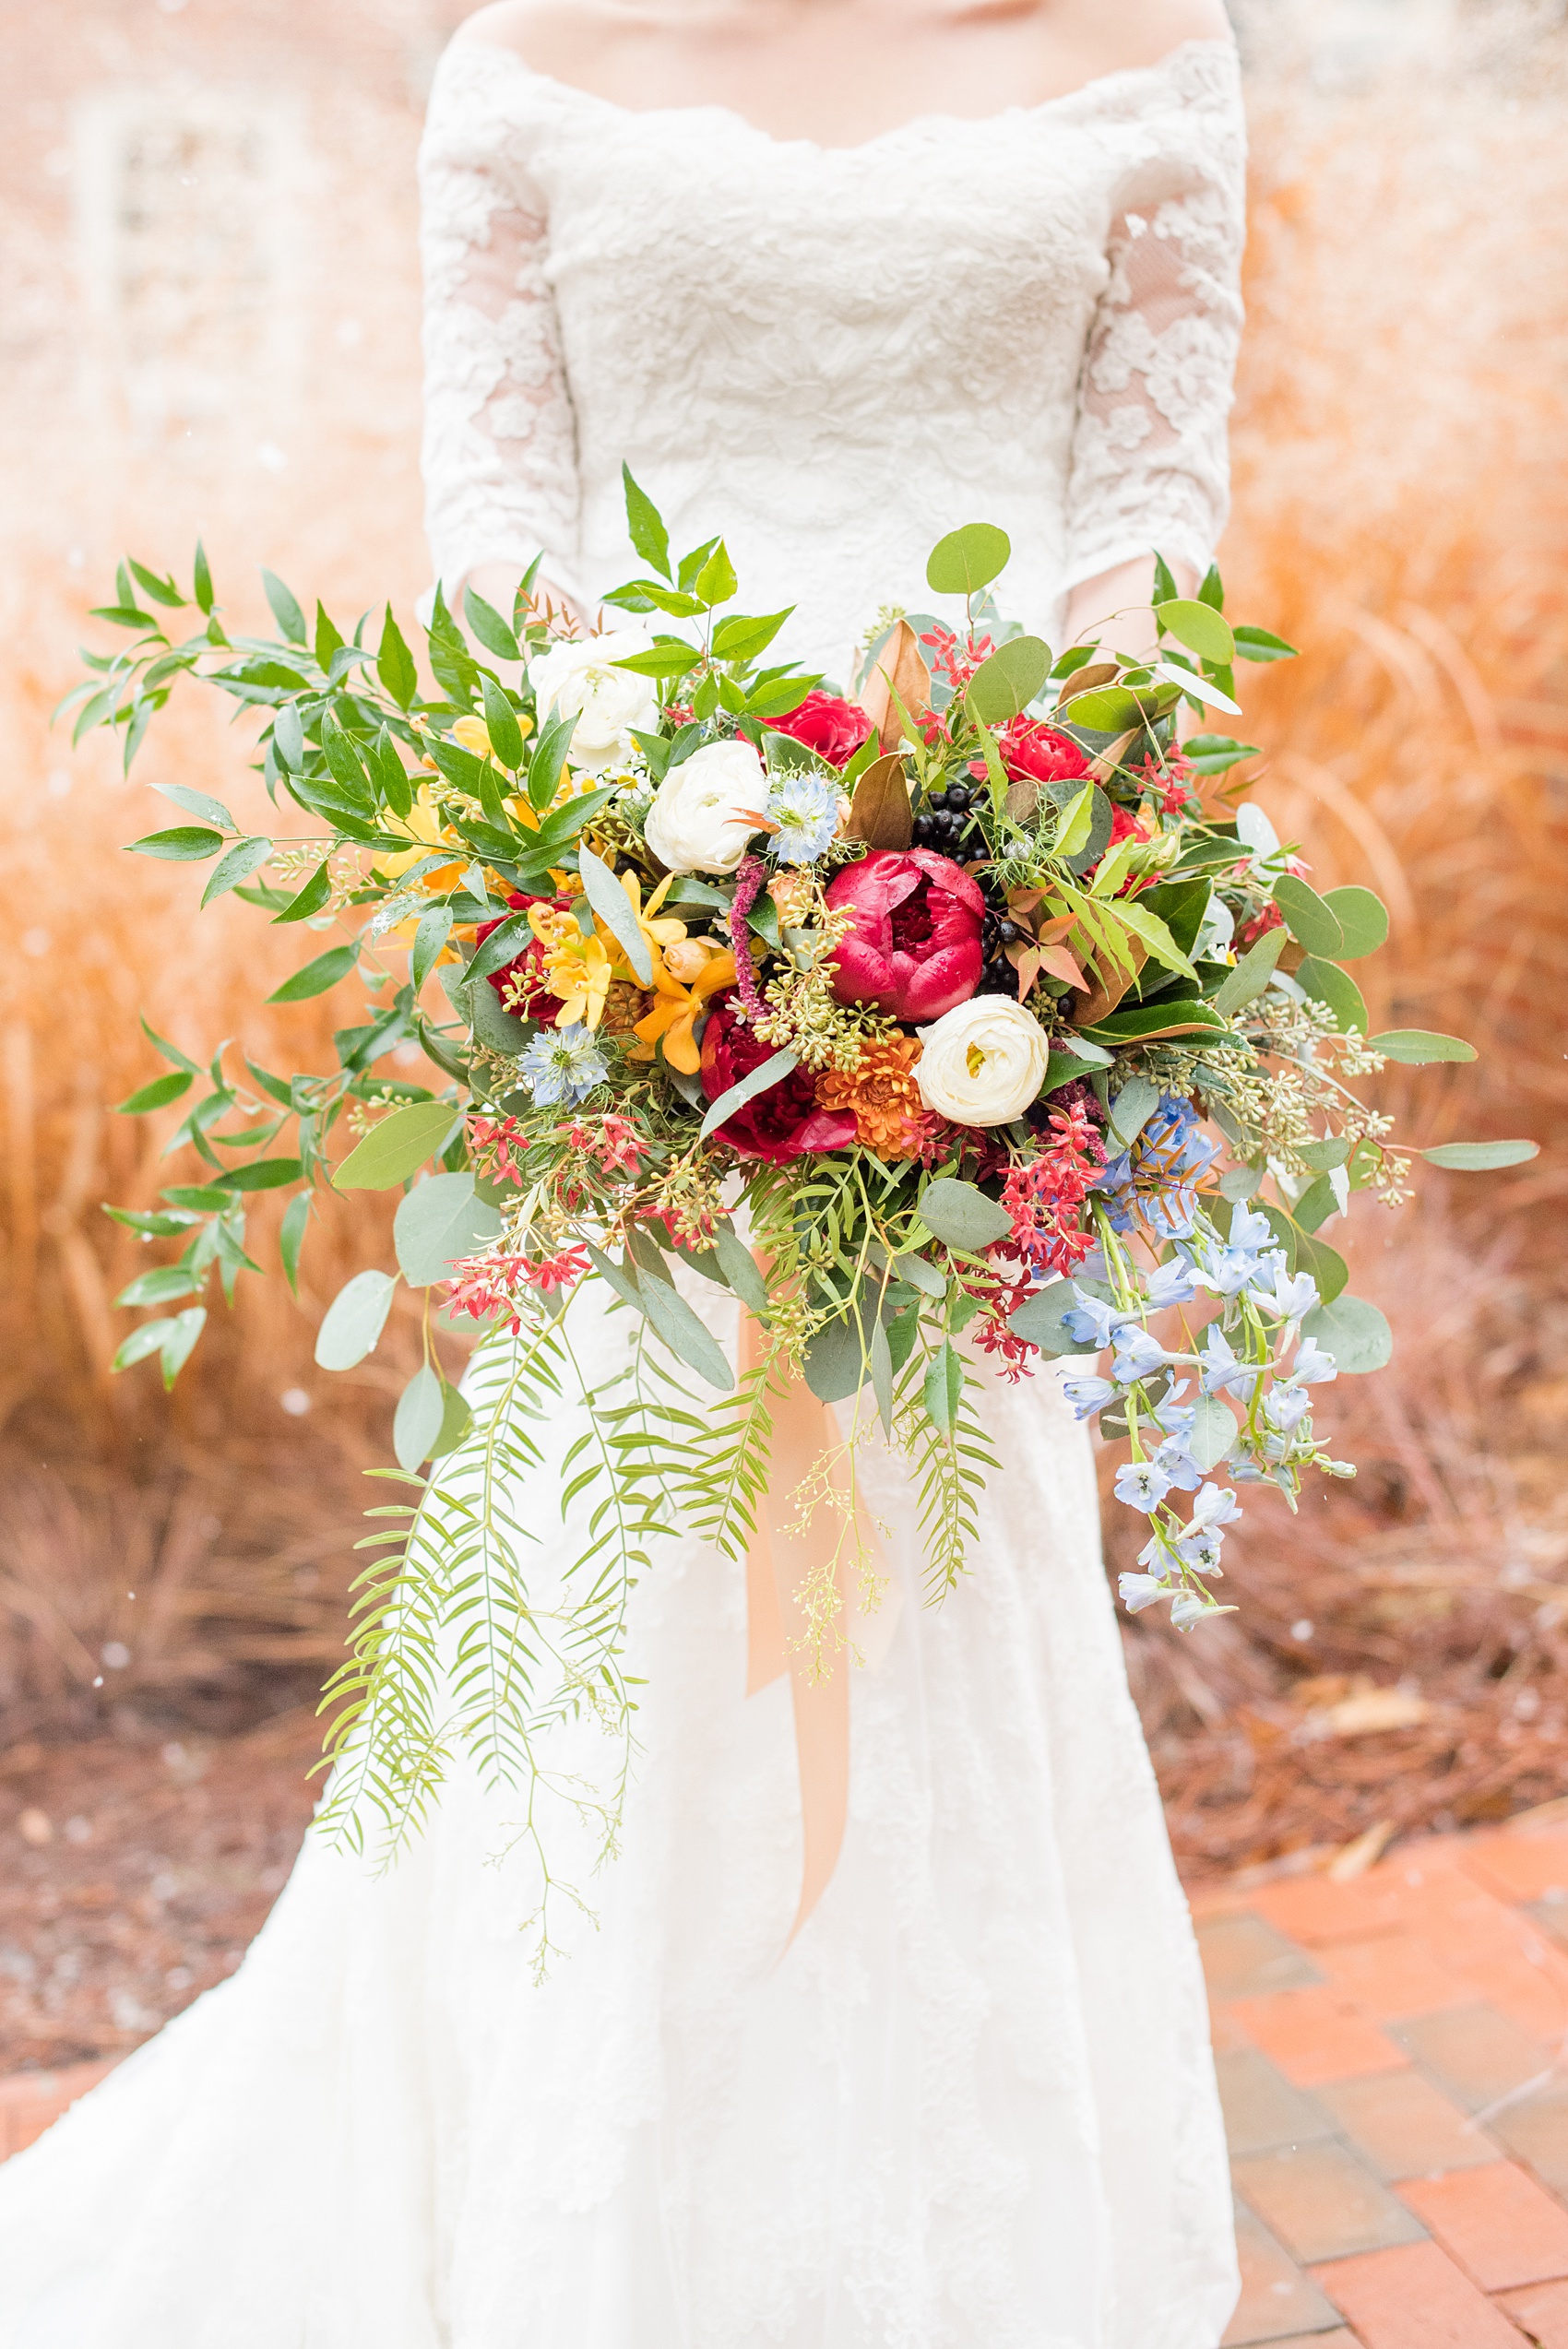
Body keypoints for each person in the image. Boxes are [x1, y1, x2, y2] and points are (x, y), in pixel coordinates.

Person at [0, 1, 1245, 2341]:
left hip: (996, 997)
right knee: (619, 1599)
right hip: (637, 986)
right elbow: (507, 571)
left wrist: (1060, 913)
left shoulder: (1141, 44)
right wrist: (652, 960)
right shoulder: (530, 59)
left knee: (959, 1567)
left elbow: (1140, 550)